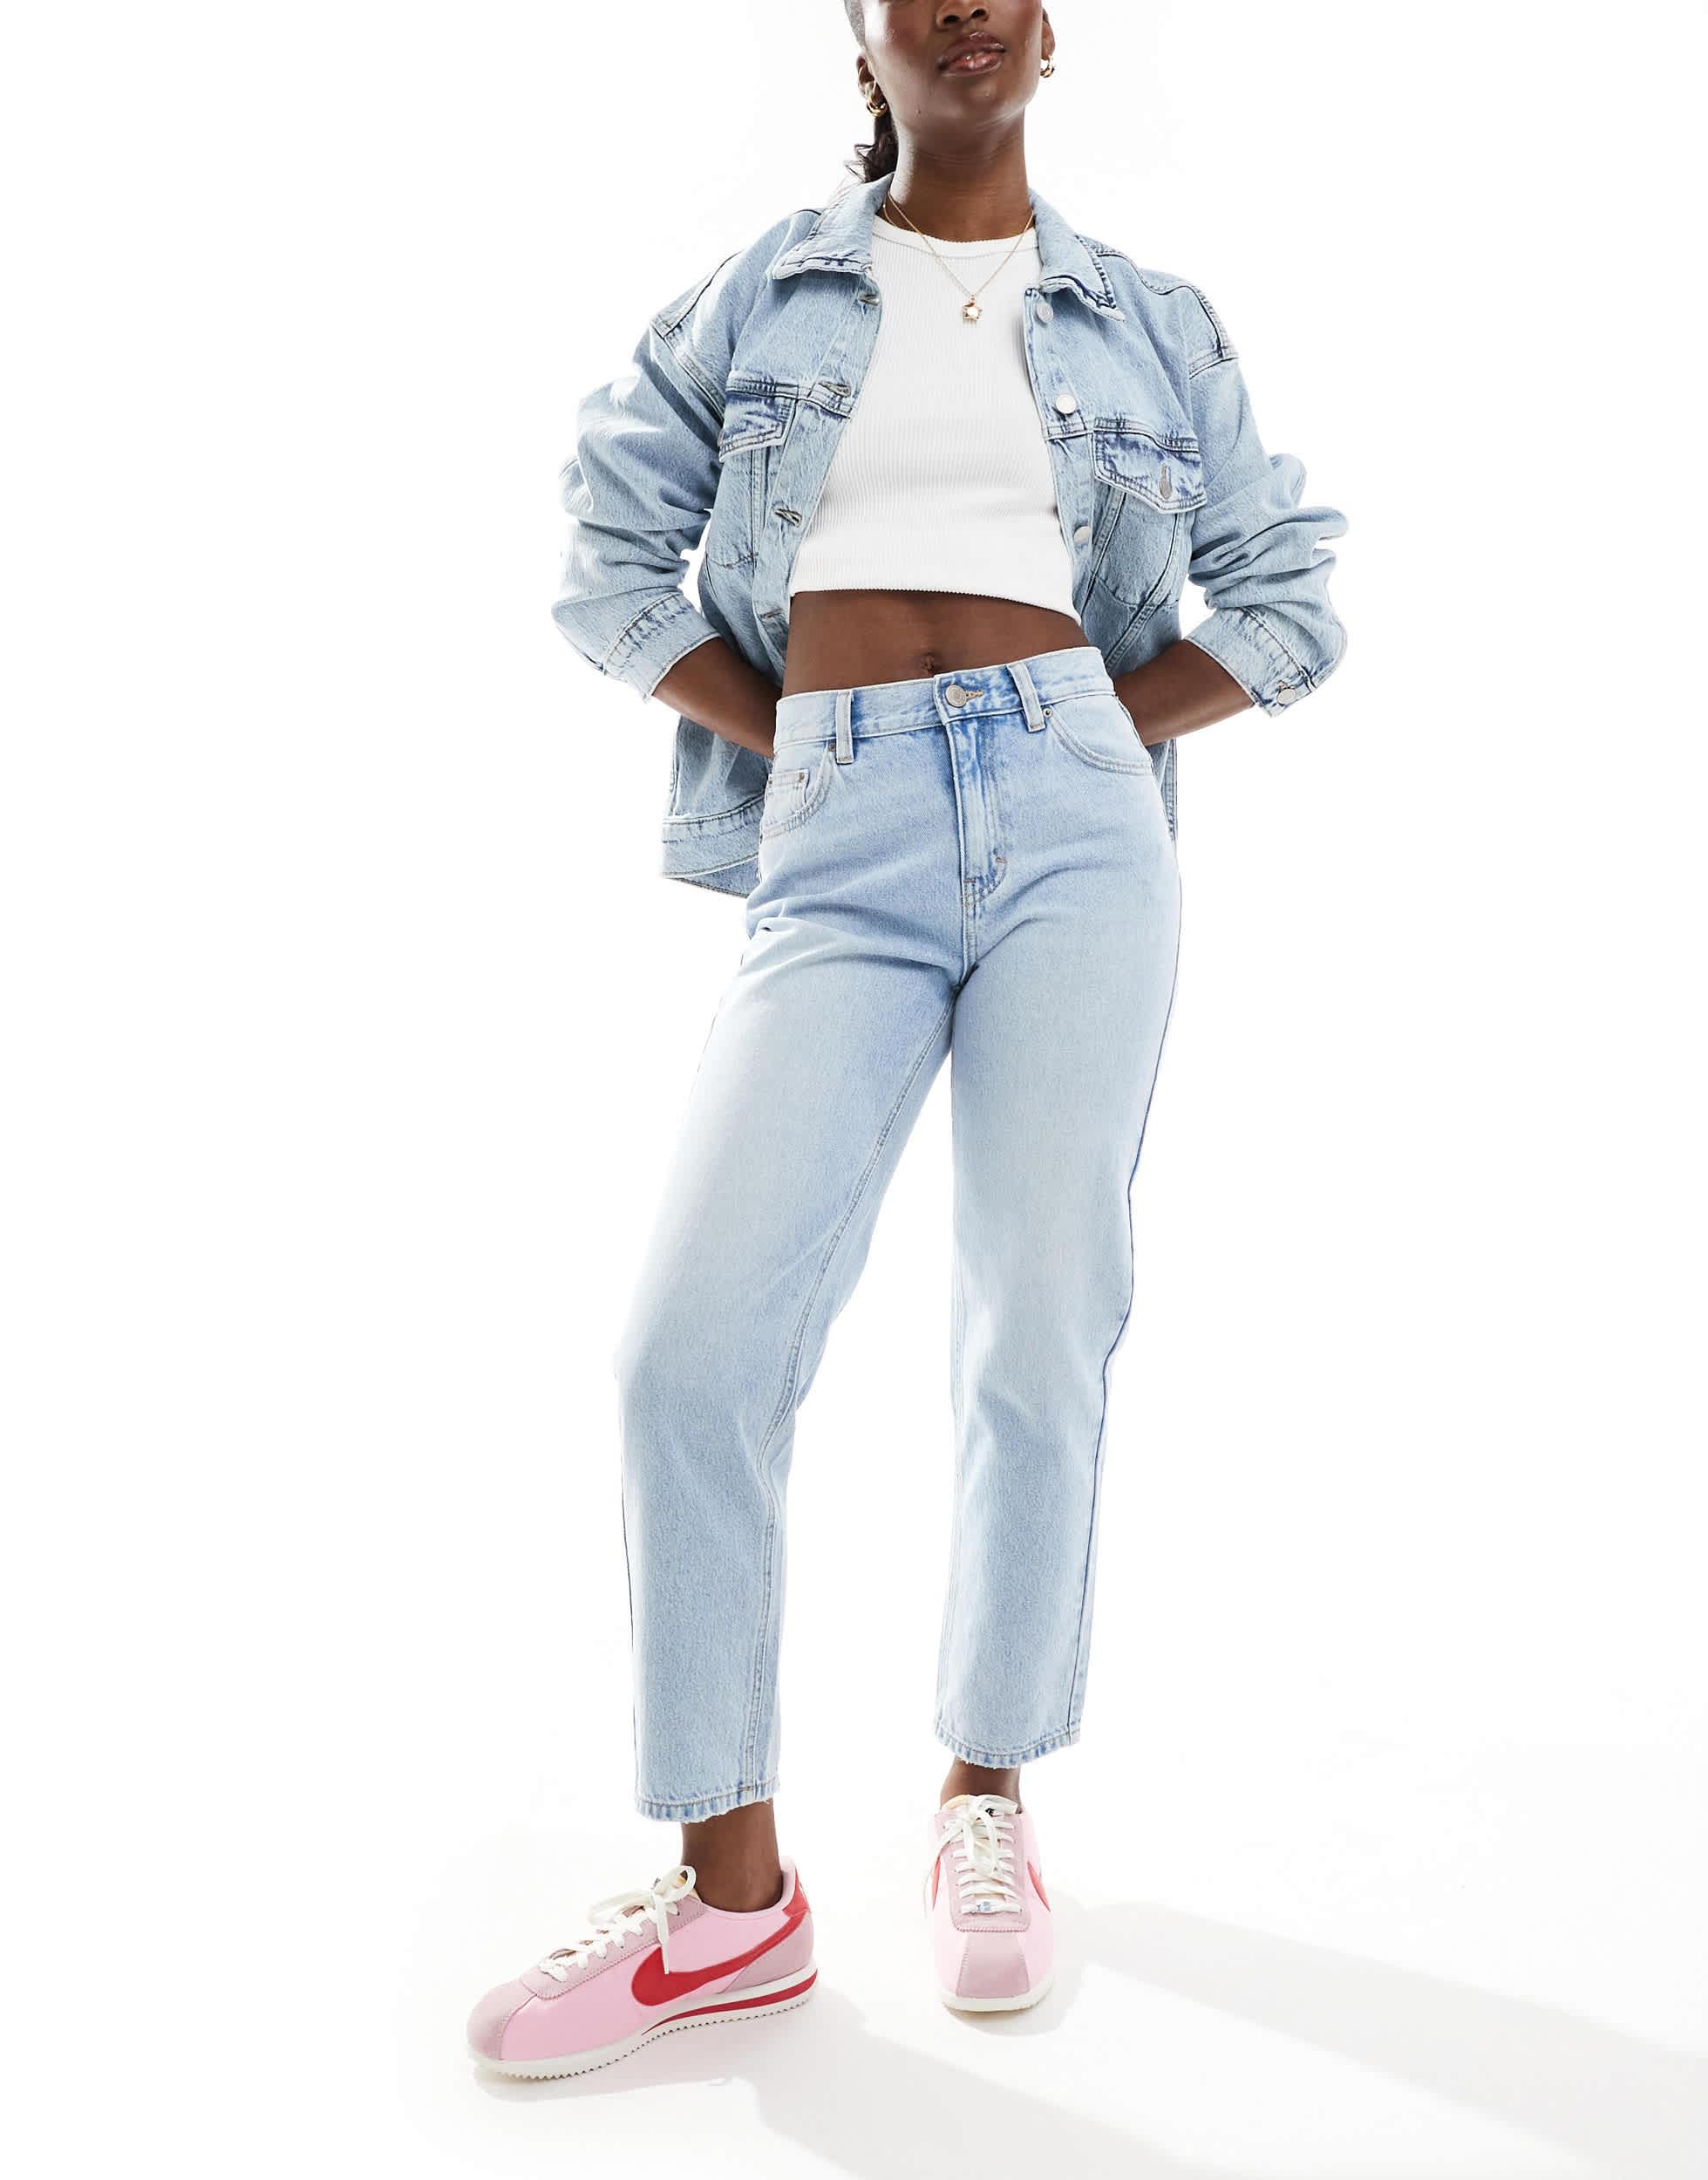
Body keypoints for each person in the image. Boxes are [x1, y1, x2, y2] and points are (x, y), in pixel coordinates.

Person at [467, 0, 1346, 2080]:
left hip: (1077, 832)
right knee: (687, 1347)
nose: (968, 4)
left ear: (1046, 36)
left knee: (1035, 1319)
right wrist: (799, 741)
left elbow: (1287, 594)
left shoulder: (1147, 320)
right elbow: (603, 555)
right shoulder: (758, 294)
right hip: (835, 833)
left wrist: (1083, 730)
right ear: (860, 37)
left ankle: (984, 1796)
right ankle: (730, 1900)